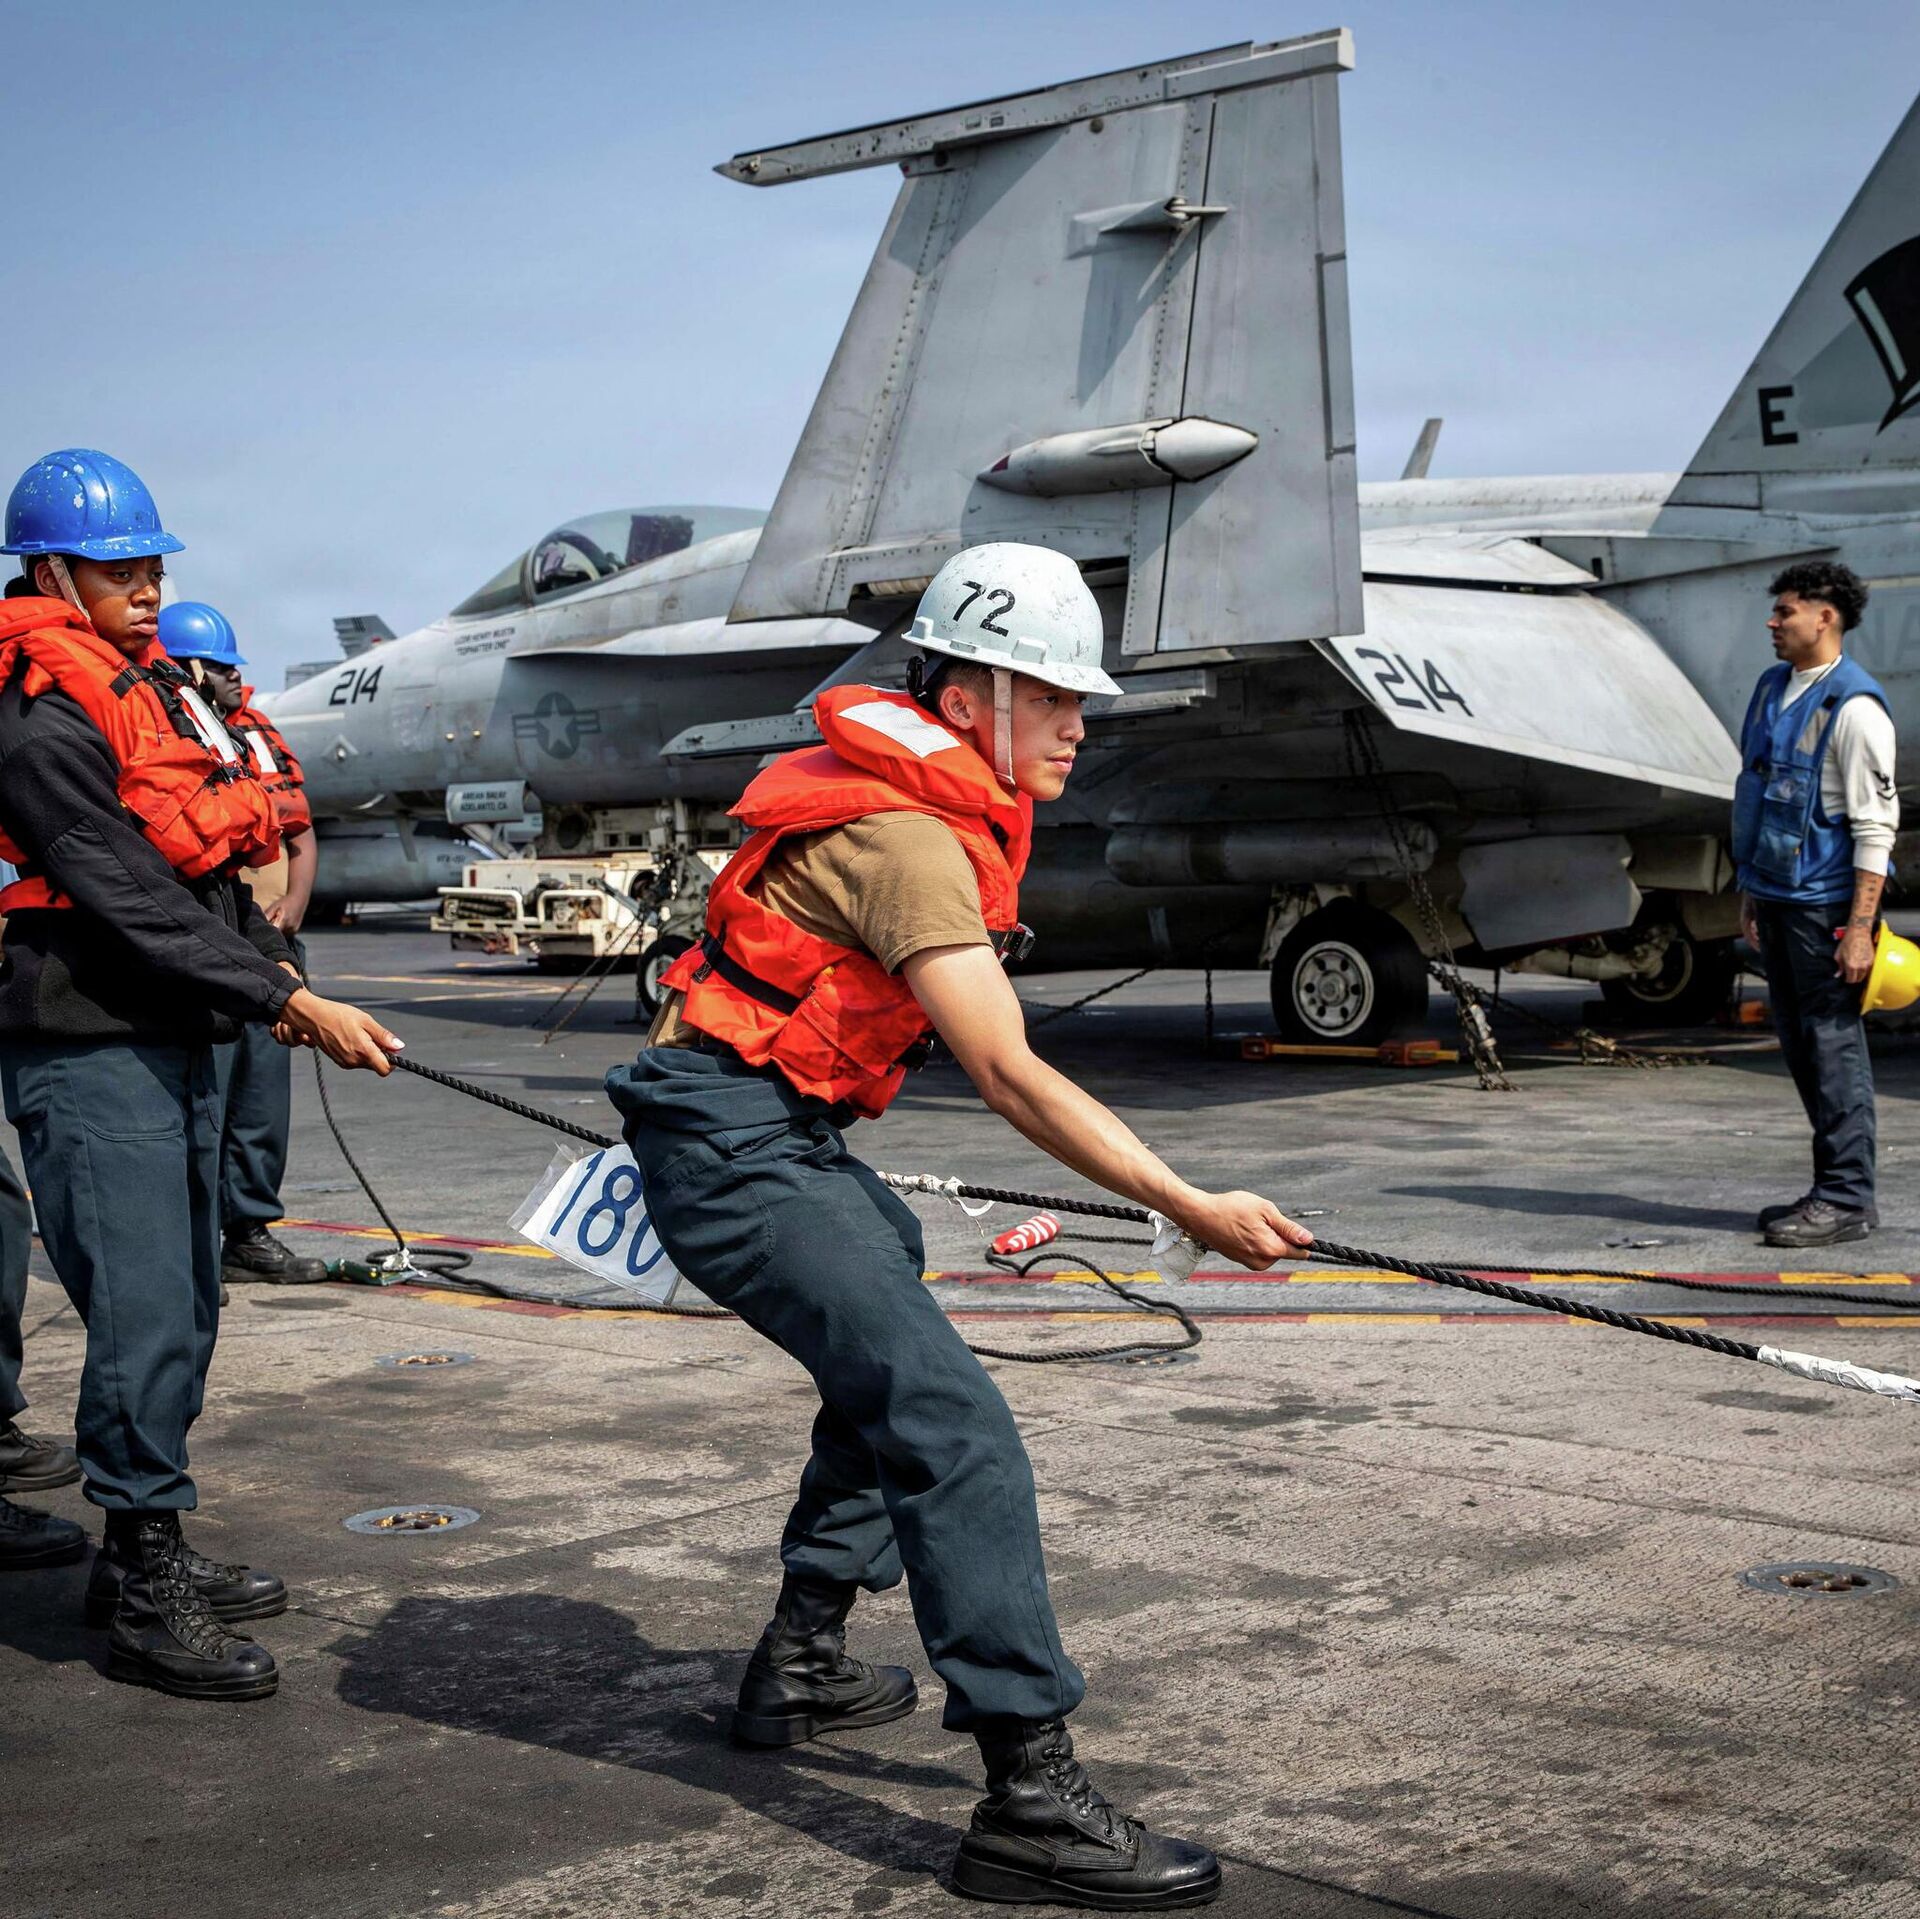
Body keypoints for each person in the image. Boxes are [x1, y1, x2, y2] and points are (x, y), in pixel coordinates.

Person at [610, 543, 1311, 1911]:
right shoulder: (911, 838)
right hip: (735, 1146)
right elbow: (1009, 1071)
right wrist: (1188, 1203)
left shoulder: (914, 809)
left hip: (766, 1132)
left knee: (890, 1306)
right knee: (956, 1425)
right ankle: (1029, 1798)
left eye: (1078, 698)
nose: (1076, 723)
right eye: (1051, 695)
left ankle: (801, 1654)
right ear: (970, 693)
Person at [0, 449, 401, 1699]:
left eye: (153, 566)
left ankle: (140, 1549)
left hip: (171, 1027)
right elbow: (117, 885)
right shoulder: (38, 711)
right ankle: (144, 1582)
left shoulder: (153, 692)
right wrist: (286, 997)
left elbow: (211, 861)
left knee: (186, 1299)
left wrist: (271, 969)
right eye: (118, 567)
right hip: (88, 1040)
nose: (146, 586)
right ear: (49, 573)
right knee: (139, 1309)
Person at [158, 601, 326, 1286]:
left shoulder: (254, 736)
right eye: (222, 667)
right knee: (204, 1101)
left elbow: (299, 832)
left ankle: (248, 1230)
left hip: (270, 949)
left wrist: (294, 907)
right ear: (185, 668)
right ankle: (193, 1246)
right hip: (205, 953)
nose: (237, 678)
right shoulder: (163, 731)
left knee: (261, 1101)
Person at [1734, 560, 1898, 1249]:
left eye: (1786, 611)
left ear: (1824, 617)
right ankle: (1830, 1188)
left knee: (1834, 1051)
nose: (1772, 622)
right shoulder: (1773, 689)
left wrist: (1859, 929)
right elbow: (1760, 790)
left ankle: (1847, 1198)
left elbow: (1875, 829)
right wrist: (1750, 892)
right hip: (1776, 899)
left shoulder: (1855, 709)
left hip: (1824, 908)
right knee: (1803, 1049)